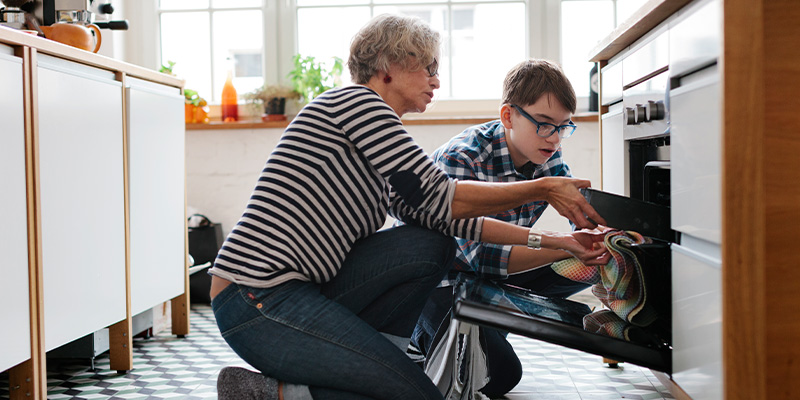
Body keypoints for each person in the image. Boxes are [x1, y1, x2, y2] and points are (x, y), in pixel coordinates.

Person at [209, 15, 608, 400]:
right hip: (256, 297)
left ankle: (367, 362)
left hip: (303, 292)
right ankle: (279, 391)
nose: (436, 80)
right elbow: (443, 195)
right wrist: (542, 188)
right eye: (428, 67)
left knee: (430, 244)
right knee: (417, 392)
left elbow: (451, 218)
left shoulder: (379, 136)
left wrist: (562, 241)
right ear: (388, 68)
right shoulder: (357, 105)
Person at [410, 59, 611, 398]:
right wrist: (566, 244)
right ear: (508, 116)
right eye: (545, 125)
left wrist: (608, 238)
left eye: (564, 127)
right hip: (438, 281)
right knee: (500, 376)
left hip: (486, 280)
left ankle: (486, 324)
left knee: (591, 264)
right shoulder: (462, 158)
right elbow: (482, 258)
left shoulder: (548, 156)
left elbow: (582, 218)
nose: (555, 139)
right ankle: (417, 335)